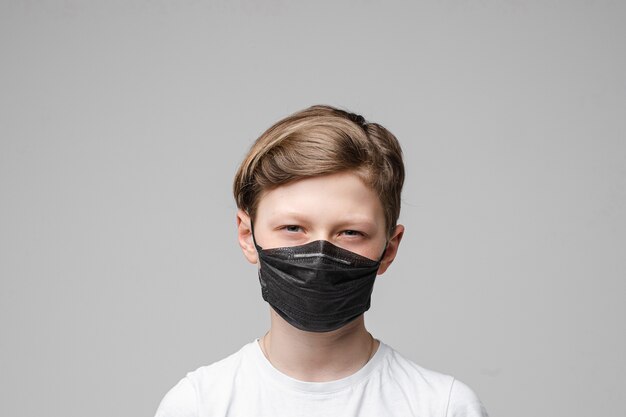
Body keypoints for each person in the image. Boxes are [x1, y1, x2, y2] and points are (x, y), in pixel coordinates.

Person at [154, 105, 489, 417]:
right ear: (247, 235)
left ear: (389, 248)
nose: (319, 257)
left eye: (350, 233)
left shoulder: (442, 407)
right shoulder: (198, 405)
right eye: (293, 228)